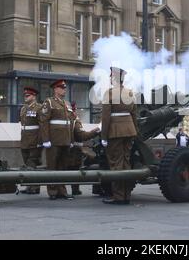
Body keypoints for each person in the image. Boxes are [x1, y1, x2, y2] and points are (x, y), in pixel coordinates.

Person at [40, 79, 99, 200]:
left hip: (65, 141)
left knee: (62, 168)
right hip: (54, 140)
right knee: (52, 167)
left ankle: (62, 191)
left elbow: (70, 124)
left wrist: (71, 141)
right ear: (55, 89)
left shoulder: (66, 104)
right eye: (62, 88)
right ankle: (52, 192)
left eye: (65, 88)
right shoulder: (49, 102)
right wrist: (45, 139)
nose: (64, 90)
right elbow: (44, 122)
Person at [101, 67, 138, 205]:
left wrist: (104, 136)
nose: (110, 79)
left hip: (115, 131)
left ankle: (118, 196)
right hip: (129, 130)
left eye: (111, 77)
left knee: (116, 163)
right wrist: (134, 131)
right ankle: (126, 195)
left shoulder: (109, 93)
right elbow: (134, 114)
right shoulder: (130, 93)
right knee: (126, 162)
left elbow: (106, 118)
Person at [19, 87, 43, 194]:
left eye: (28, 95)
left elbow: (42, 126)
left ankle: (34, 187)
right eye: (25, 95)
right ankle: (30, 186)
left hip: (34, 140)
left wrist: (40, 141)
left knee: (32, 163)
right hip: (24, 140)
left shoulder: (39, 108)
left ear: (34, 96)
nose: (26, 97)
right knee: (27, 163)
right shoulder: (23, 108)